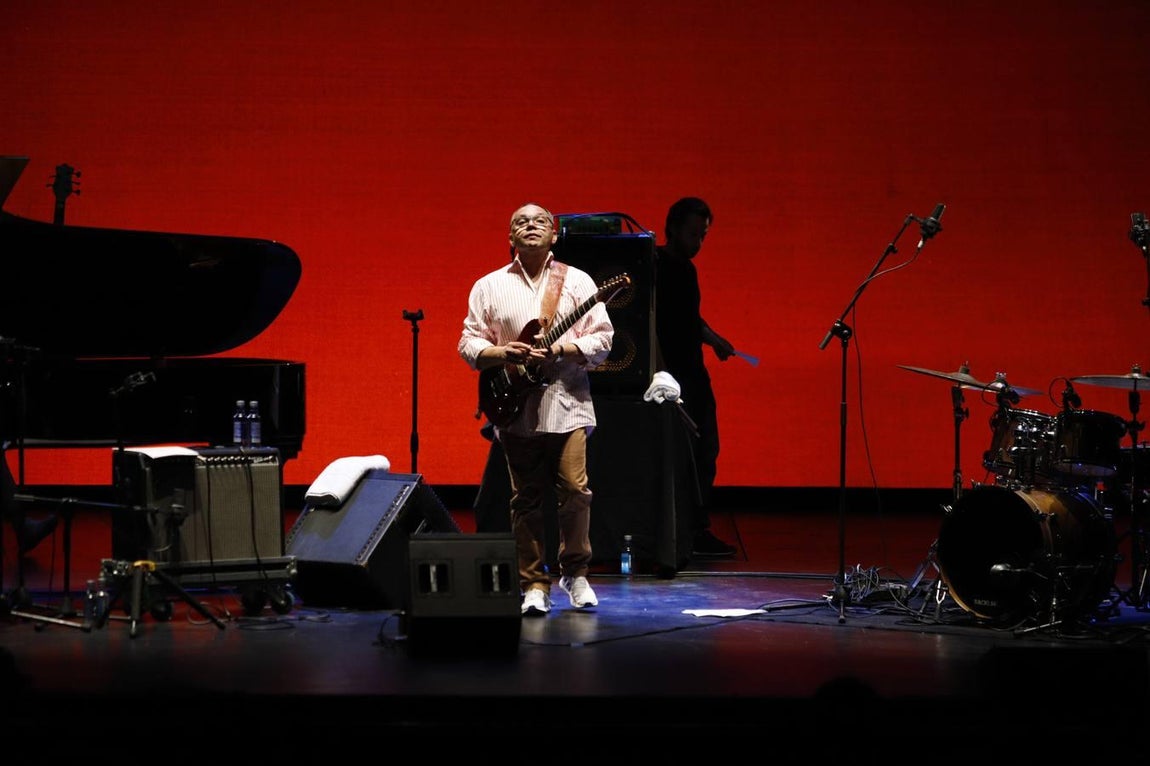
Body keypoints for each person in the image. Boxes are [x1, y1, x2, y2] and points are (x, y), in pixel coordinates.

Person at [459, 202, 614, 616]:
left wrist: (563, 347)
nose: (530, 226)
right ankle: (533, 583)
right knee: (525, 499)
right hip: (516, 406)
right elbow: (468, 344)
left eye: (540, 221)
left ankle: (575, 573)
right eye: (520, 222)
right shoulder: (488, 286)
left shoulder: (578, 282)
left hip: (569, 402)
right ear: (510, 237)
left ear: (554, 235)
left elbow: (603, 340)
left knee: (575, 491)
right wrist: (500, 351)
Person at [654, 197, 738, 558]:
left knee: (706, 450)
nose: (698, 243)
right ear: (672, 228)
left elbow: (690, 318)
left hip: (693, 372)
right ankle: (679, 530)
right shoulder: (655, 265)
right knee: (679, 456)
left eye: (703, 235)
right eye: (693, 234)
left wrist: (714, 338)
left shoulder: (688, 270)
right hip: (667, 377)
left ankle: (698, 528)